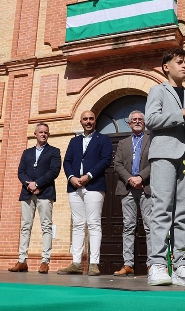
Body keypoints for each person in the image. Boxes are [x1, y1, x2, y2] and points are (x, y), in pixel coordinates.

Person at [145, 48, 185, 287]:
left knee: (183, 213)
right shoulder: (157, 91)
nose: (184, 66)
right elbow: (150, 120)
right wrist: (183, 113)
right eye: (179, 62)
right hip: (163, 154)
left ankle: (182, 265)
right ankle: (158, 264)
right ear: (166, 67)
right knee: (162, 208)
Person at [57, 111, 112, 276]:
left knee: (94, 224)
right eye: (85, 119)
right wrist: (71, 177)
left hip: (94, 185)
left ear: (95, 121)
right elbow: (67, 161)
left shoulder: (104, 139)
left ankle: (94, 264)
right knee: (78, 224)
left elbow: (106, 160)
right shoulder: (74, 141)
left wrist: (88, 176)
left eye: (91, 119)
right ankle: (76, 263)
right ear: (81, 122)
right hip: (74, 187)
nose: (88, 121)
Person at [9, 123, 61, 274]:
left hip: (45, 192)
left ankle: (45, 261)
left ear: (48, 135)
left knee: (46, 226)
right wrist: (30, 185)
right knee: (25, 226)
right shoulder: (27, 153)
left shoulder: (54, 151)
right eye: (41, 132)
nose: (43, 134)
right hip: (27, 193)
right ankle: (22, 260)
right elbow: (21, 172)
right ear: (35, 134)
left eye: (46, 132)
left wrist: (38, 184)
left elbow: (54, 171)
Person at [113, 110, 152, 277]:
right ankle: (128, 264)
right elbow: (117, 164)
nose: (137, 121)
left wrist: (141, 177)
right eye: (134, 120)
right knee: (128, 226)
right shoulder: (123, 143)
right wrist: (130, 179)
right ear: (129, 124)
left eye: (140, 119)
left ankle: (153, 264)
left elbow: (155, 161)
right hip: (127, 188)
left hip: (146, 186)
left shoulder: (151, 139)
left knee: (150, 226)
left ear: (144, 122)